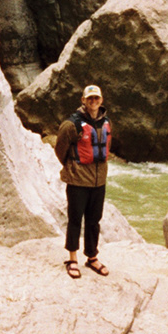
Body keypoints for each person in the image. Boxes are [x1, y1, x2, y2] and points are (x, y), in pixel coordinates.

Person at [54, 84, 113, 278]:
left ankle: (92, 257)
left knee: (94, 220)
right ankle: (72, 258)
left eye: (96, 98)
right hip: (78, 180)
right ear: (83, 100)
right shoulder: (72, 124)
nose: (93, 101)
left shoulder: (106, 121)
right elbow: (60, 149)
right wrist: (71, 167)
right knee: (75, 220)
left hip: (99, 181)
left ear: (101, 100)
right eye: (90, 98)